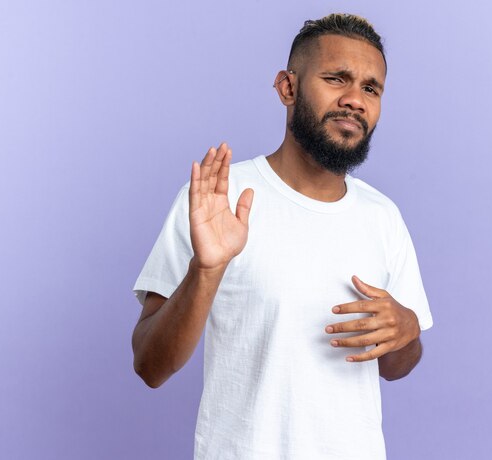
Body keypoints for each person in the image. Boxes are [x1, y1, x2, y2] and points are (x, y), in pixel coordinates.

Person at [132, 13, 433, 460]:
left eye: (371, 88)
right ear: (287, 87)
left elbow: (395, 366)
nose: (355, 100)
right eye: (336, 79)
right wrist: (206, 269)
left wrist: (407, 331)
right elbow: (150, 366)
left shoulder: (383, 216)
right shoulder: (218, 200)